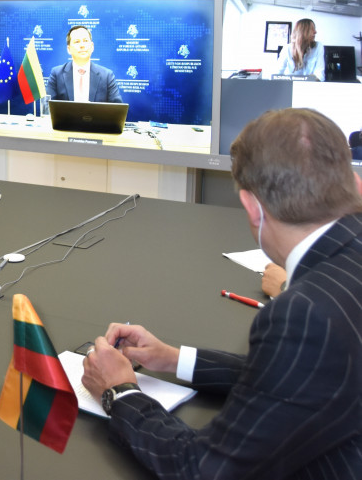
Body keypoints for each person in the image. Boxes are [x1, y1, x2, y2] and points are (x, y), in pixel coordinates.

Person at [81, 108, 362, 479]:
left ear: (252, 208)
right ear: (351, 180)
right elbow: (300, 376)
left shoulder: (305, 314)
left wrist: (120, 392)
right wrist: (173, 359)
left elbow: (204, 469)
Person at [45, 25, 122, 103]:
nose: (82, 45)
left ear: (92, 47)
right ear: (69, 49)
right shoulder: (57, 74)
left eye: (85, 41)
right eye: (77, 42)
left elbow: (118, 109)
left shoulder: (107, 76)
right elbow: (47, 106)